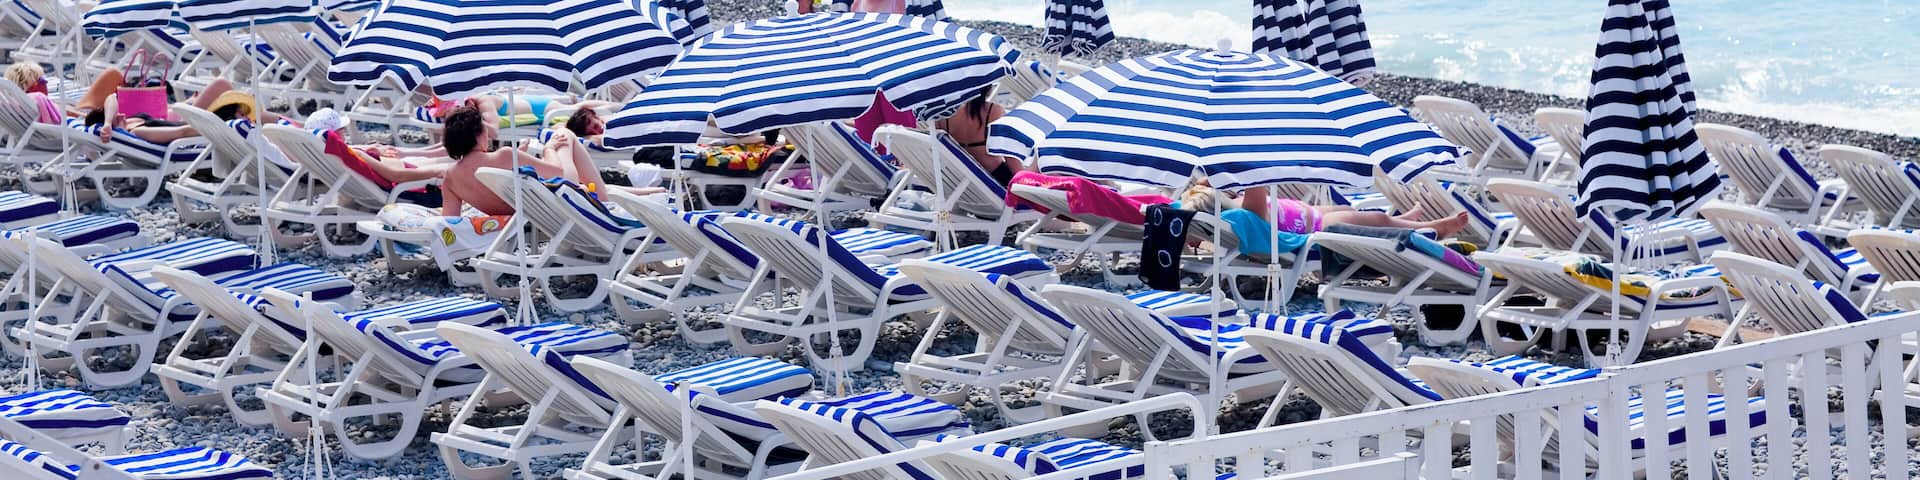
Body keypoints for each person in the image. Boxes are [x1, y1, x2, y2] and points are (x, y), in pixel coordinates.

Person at [1180, 180, 1472, 238]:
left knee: (1365, 215)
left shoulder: (1235, 217)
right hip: (1316, 227)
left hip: (1308, 213)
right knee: (1376, 217)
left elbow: (1204, 187)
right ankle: (1429, 229)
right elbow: (1259, 176)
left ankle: (1402, 221)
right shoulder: (1248, 211)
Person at [936, 86, 1022, 186]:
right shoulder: (994, 111)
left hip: (957, 178)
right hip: (994, 178)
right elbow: (1012, 161)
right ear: (988, 89)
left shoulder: (946, 116)